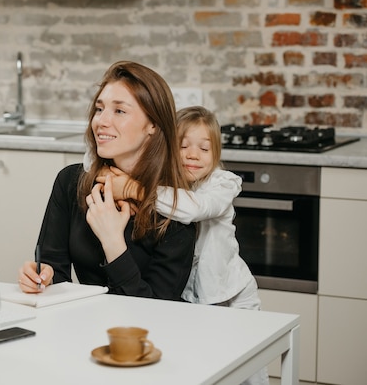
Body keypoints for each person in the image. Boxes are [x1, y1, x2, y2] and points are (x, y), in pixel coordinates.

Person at [90, 105, 267, 385]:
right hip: (191, 299)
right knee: (207, 369)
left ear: (216, 154)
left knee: (248, 373)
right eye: (183, 146)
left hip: (231, 295)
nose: (193, 155)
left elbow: (195, 209)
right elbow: (95, 157)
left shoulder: (222, 184)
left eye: (204, 149)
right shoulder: (165, 184)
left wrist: (133, 189)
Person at [18, 61, 196, 300]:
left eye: (119, 111)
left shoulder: (177, 209)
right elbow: (53, 267)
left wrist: (112, 241)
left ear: (153, 124)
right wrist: (44, 277)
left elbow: (158, 309)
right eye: (100, 109)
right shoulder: (71, 181)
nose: (101, 121)